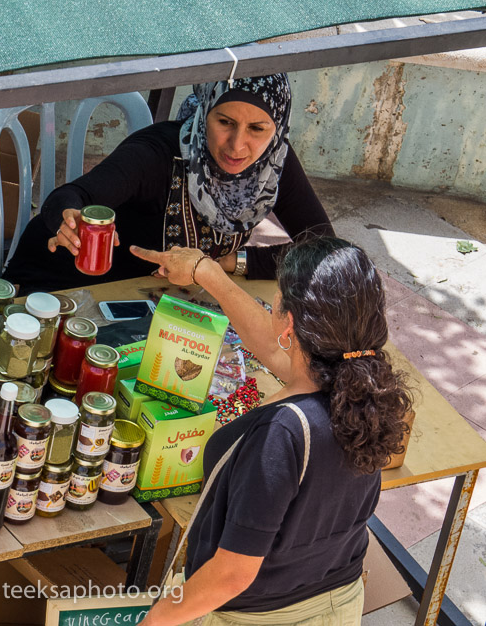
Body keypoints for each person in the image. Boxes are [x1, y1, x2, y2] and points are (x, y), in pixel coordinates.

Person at [130, 237, 413, 626]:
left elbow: (231, 574)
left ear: (290, 322)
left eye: (275, 301)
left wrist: (153, 621)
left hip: (254, 616)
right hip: (337, 604)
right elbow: (271, 346)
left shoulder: (282, 434)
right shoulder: (362, 393)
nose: (270, 307)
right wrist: (204, 271)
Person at [3, 75, 333, 293]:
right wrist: (69, 219)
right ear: (205, 112)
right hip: (62, 286)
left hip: (154, 302)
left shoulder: (274, 164)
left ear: (277, 129)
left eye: (257, 129)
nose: (237, 145)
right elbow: (72, 195)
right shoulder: (157, 154)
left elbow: (327, 249)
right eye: (225, 122)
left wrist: (227, 263)